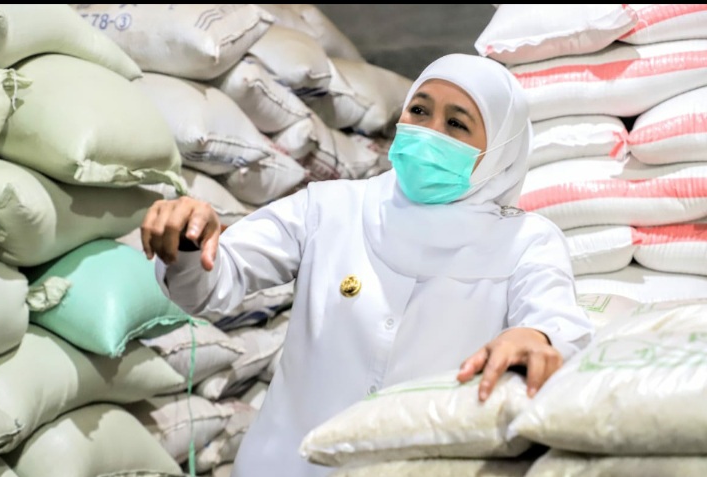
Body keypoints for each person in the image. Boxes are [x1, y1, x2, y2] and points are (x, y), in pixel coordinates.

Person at [141, 53, 595, 477]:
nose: (429, 131)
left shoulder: (526, 242)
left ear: (498, 150)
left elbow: (555, 320)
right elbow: (214, 282)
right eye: (419, 111)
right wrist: (188, 241)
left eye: (457, 124)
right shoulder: (330, 207)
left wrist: (533, 336)